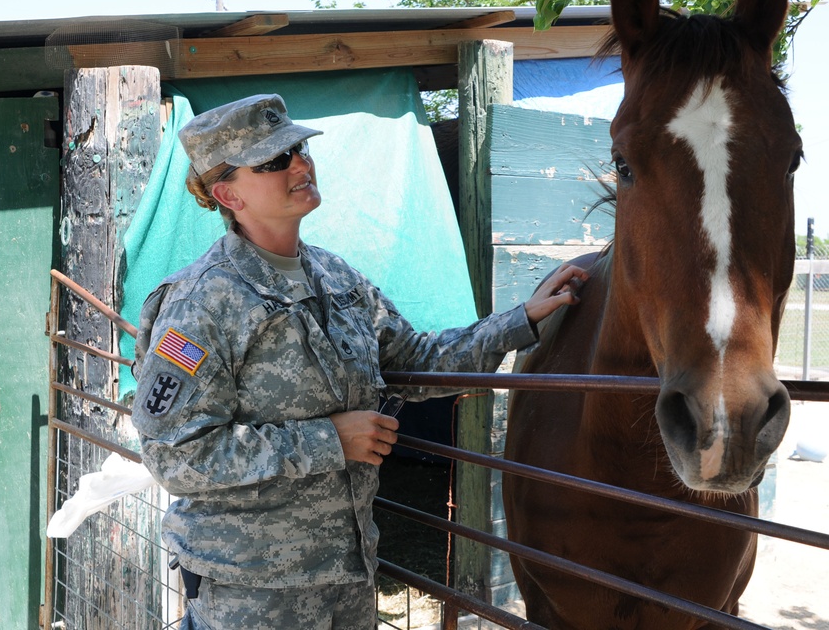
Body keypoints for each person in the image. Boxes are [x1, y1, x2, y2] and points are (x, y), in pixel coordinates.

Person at [130, 93, 587, 630]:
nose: (301, 164)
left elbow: (414, 359)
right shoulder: (200, 302)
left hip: (348, 574)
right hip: (252, 589)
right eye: (275, 161)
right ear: (228, 192)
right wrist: (331, 440)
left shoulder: (335, 277)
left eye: (299, 149)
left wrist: (520, 320)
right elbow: (174, 455)